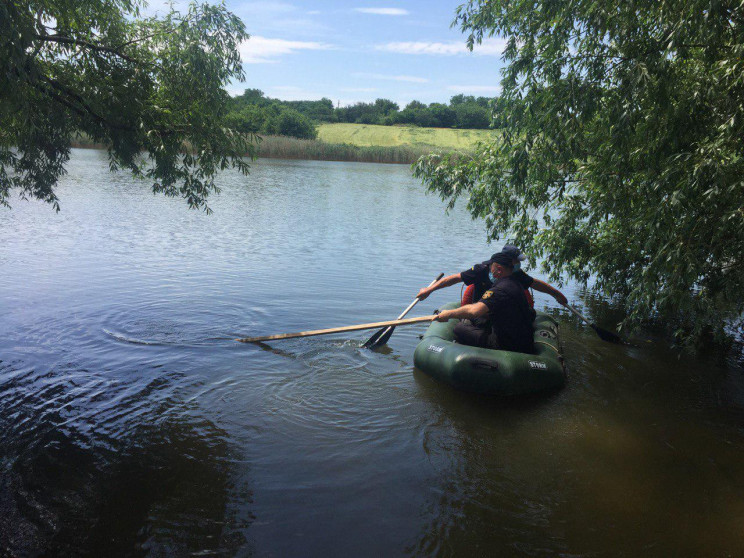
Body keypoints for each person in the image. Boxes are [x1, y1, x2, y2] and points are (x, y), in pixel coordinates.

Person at [433, 252, 535, 353]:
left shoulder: (500, 289)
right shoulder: (516, 283)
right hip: (526, 343)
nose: (489, 270)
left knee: (460, 329)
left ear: (499, 269)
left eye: (491, 267)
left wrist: (448, 314)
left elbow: (474, 311)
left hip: (505, 345)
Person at [500, 244, 568, 306]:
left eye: (519, 260)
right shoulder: (493, 272)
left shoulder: (517, 273)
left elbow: (534, 283)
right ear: (507, 260)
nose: (518, 263)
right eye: (516, 260)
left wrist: (556, 294)